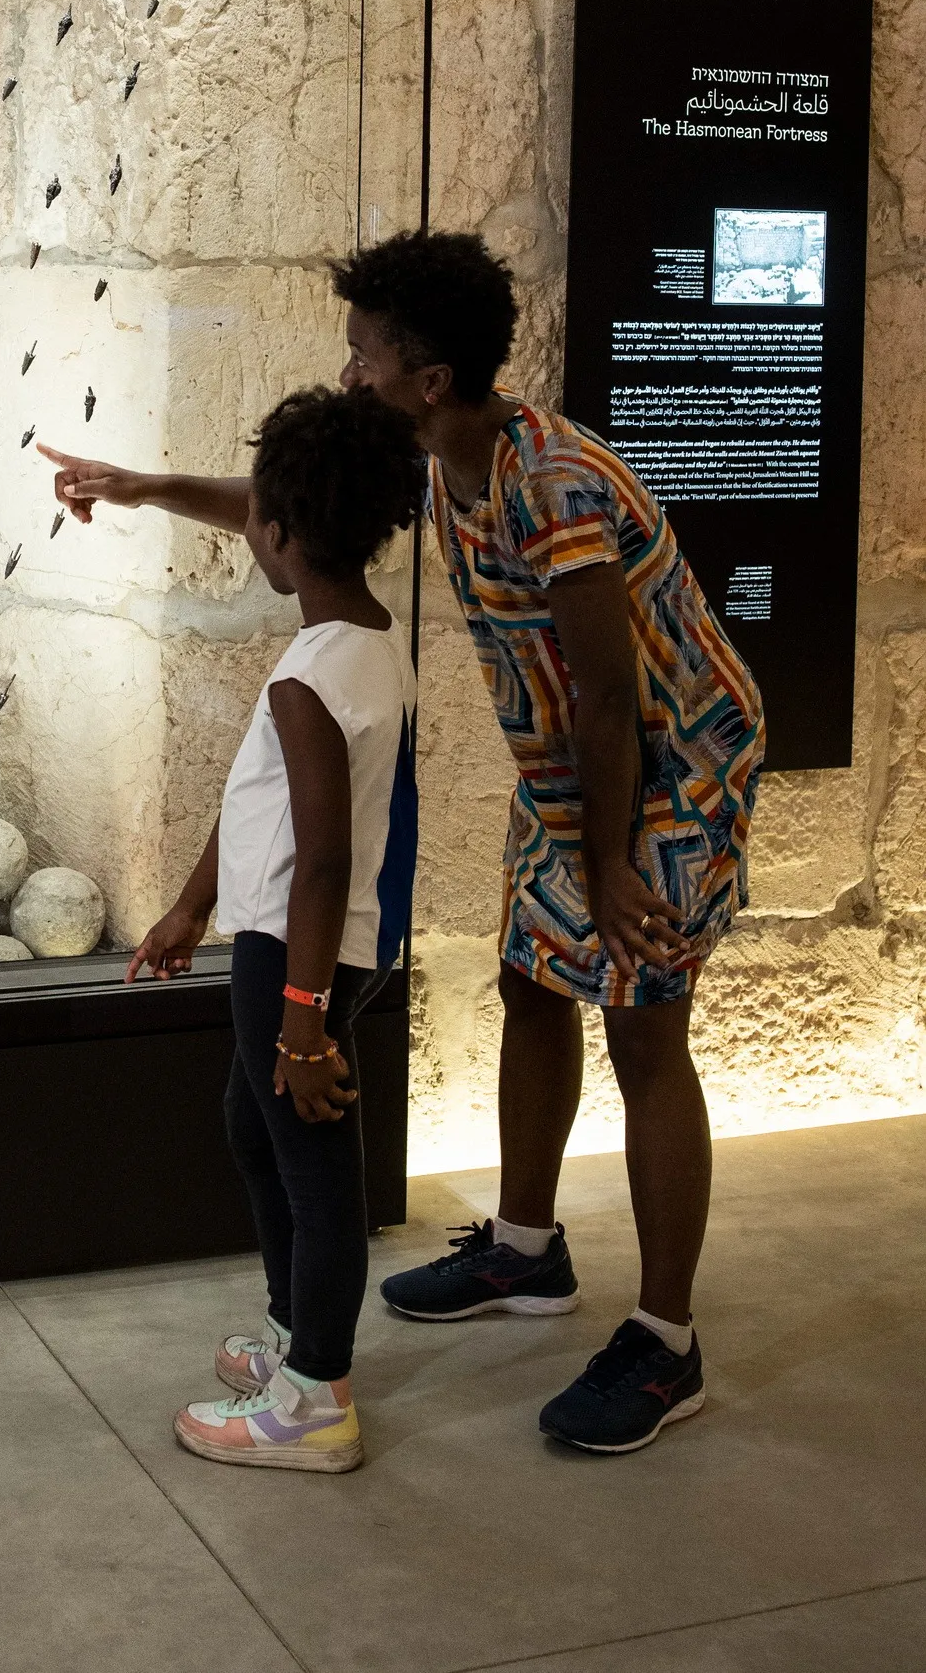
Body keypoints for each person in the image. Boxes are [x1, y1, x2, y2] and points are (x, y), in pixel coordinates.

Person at [45, 229, 765, 1457]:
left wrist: (601, 867)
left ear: (428, 378)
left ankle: (664, 1340)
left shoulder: (557, 487)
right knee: (529, 985)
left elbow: (607, 693)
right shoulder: (440, 459)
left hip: (665, 773)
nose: (348, 375)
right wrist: (144, 487)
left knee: (645, 1025)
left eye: (364, 354)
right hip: (572, 777)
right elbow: (293, 513)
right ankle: (525, 1253)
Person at [100, 385, 424, 1473]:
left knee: (315, 1164)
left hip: (295, 955)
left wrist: (298, 1016)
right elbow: (262, 806)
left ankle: (314, 1399)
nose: (248, 532)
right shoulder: (365, 641)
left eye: (252, 519)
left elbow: (322, 856)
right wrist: (191, 905)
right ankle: (296, 1340)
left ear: (278, 535)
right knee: (257, 1128)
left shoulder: (306, 676)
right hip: (292, 942)